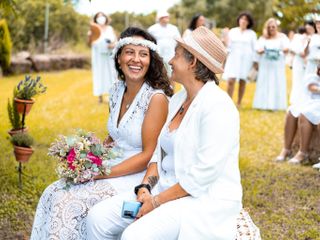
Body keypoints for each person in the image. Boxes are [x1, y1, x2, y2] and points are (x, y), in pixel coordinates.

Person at [87, 27, 261, 240]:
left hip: (199, 200)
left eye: (176, 55)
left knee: (135, 236)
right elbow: (157, 155)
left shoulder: (218, 107)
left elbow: (202, 176)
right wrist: (144, 188)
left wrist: (157, 201)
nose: (169, 61)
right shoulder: (178, 99)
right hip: (161, 189)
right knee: (97, 217)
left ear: (192, 62)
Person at [30, 27, 173, 240]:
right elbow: (115, 136)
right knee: (53, 191)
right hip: (109, 166)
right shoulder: (116, 89)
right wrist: (87, 159)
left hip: (133, 173)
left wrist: (98, 173)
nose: (136, 59)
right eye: (129, 52)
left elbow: (148, 156)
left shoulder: (156, 98)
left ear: (151, 61)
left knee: (67, 201)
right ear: (119, 57)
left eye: (143, 54)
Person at [276, 64, 320, 165]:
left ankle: (303, 152)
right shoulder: (312, 77)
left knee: (305, 114)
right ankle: (286, 148)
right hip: (311, 102)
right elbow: (311, 87)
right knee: (292, 110)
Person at [253, 18, 290, 111]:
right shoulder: (263, 38)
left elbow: (287, 48)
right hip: (266, 64)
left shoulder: (282, 37)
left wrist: (278, 50)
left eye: (273, 27)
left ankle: (276, 105)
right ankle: (262, 104)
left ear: (277, 27)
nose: (271, 29)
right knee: (264, 82)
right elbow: (257, 49)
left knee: (277, 82)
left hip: (277, 64)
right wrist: (263, 50)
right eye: (269, 27)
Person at [222, 12, 257, 107]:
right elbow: (228, 46)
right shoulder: (233, 31)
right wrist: (224, 38)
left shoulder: (252, 34)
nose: (243, 21)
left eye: (246, 19)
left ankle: (239, 102)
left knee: (242, 80)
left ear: (248, 22)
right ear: (239, 20)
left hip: (246, 59)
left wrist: (255, 62)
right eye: (242, 19)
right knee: (231, 80)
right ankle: (228, 102)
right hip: (234, 58)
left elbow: (255, 49)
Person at [88, 12, 117, 103]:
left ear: (106, 17)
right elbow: (89, 43)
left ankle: (111, 96)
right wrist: (89, 37)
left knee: (111, 74)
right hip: (98, 56)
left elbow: (115, 41)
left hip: (109, 55)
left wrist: (112, 45)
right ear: (95, 19)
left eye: (102, 16)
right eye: (98, 17)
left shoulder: (110, 29)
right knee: (99, 74)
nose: (101, 18)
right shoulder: (93, 29)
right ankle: (99, 98)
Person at [148, 10, 181, 76]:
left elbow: (179, 41)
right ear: (160, 18)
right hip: (158, 56)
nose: (166, 18)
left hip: (171, 56)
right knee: (158, 73)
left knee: (172, 74)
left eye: (167, 17)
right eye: (164, 17)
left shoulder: (174, 28)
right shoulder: (152, 29)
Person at [289, 26, 307, 105]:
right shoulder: (300, 38)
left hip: (299, 61)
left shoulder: (296, 38)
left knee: (297, 81)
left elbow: (292, 50)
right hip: (299, 61)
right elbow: (297, 51)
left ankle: (298, 99)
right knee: (299, 80)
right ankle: (298, 99)